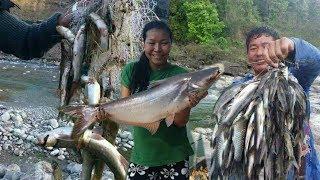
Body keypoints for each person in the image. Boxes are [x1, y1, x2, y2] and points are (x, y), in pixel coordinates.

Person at [120, 20, 206, 179]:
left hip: (175, 156)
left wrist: (187, 104)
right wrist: (150, 122)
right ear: (143, 44)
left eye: (164, 43)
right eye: (151, 43)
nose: (157, 49)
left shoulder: (181, 75)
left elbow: (180, 122)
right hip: (142, 156)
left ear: (171, 44)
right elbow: (125, 111)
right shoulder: (131, 71)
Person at [237, 26, 320, 179]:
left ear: (278, 48)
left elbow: (316, 61)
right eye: (253, 48)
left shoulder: (296, 78)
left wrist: (293, 45)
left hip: (299, 172)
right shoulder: (239, 87)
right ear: (247, 54)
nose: (260, 53)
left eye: (266, 46)